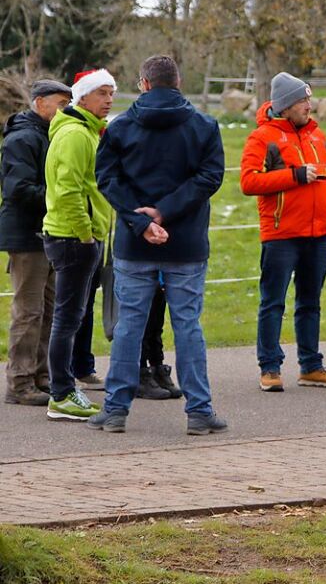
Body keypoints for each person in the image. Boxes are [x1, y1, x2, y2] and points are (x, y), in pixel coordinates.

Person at [88, 55, 227, 435]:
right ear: (177, 82)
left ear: (144, 83)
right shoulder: (203, 125)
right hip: (186, 241)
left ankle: (116, 409)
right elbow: (210, 177)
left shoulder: (121, 127)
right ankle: (199, 410)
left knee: (130, 324)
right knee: (188, 325)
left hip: (136, 243)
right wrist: (165, 212)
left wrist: (141, 220)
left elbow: (108, 178)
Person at [240, 72, 326, 392]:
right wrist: (295, 175)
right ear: (285, 106)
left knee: (310, 301)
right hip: (281, 234)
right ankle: (270, 367)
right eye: (302, 101)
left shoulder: (317, 136)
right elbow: (249, 182)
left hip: (319, 234)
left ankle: (311, 366)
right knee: (273, 302)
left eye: (309, 100)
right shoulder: (262, 138)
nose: (308, 106)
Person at [41, 69, 116, 421]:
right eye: (102, 92)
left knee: (72, 315)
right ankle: (61, 393)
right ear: (82, 97)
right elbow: (68, 188)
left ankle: (64, 387)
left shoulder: (87, 131)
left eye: (111, 93)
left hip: (81, 235)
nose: (109, 99)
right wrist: (85, 232)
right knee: (68, 317)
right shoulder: (74, 134)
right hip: (73, 238)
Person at [1, 80, 72, 405]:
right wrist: (60, 198)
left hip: (48, 233)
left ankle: (41, 376)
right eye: (60, 103)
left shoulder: (49, 135)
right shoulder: (23, 139)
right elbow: (18, 189)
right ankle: (19, 382)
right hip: (28, 237)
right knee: (29, 312)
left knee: (48, 309)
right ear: (39, 102)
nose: (65, 110)